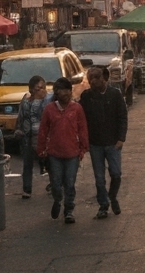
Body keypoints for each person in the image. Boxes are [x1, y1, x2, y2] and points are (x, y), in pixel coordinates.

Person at [36, 77, 88, 224]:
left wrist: (83, 148)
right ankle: (58, 200)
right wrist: (41, 150)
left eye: (67, 90)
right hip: (54, 154)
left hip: (73, 153)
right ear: (56, 93)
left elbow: (82, 128)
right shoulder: (49, 109)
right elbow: (43, 131)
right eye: (61, 90)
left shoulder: (77, 109)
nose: (64, 93)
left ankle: (69, 210)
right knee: (56, 182)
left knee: (70, 183)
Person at [79, 66, 128, 219]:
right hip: (95, 144)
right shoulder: (86, 97)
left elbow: (122, 117)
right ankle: (103, 205)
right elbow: (80, 119)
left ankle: (112, 196)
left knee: (116, 173)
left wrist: (121, 138)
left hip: (113, 143)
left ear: (104, 78)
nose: (93, 81)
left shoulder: (115, 94)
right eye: (90, 78)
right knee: (99, 179)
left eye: (96, 78)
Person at [16, 75, 50, 199]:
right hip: (27, 136)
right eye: (38, 88)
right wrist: (18, 128)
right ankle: (27, 189)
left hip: (41, 136)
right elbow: (21, 115)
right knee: (27, 164)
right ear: (31, 89)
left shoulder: (47, 100)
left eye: (42, 88)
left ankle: (54, 183)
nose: (41, 90)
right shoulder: (25, 100)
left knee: (48, 161)